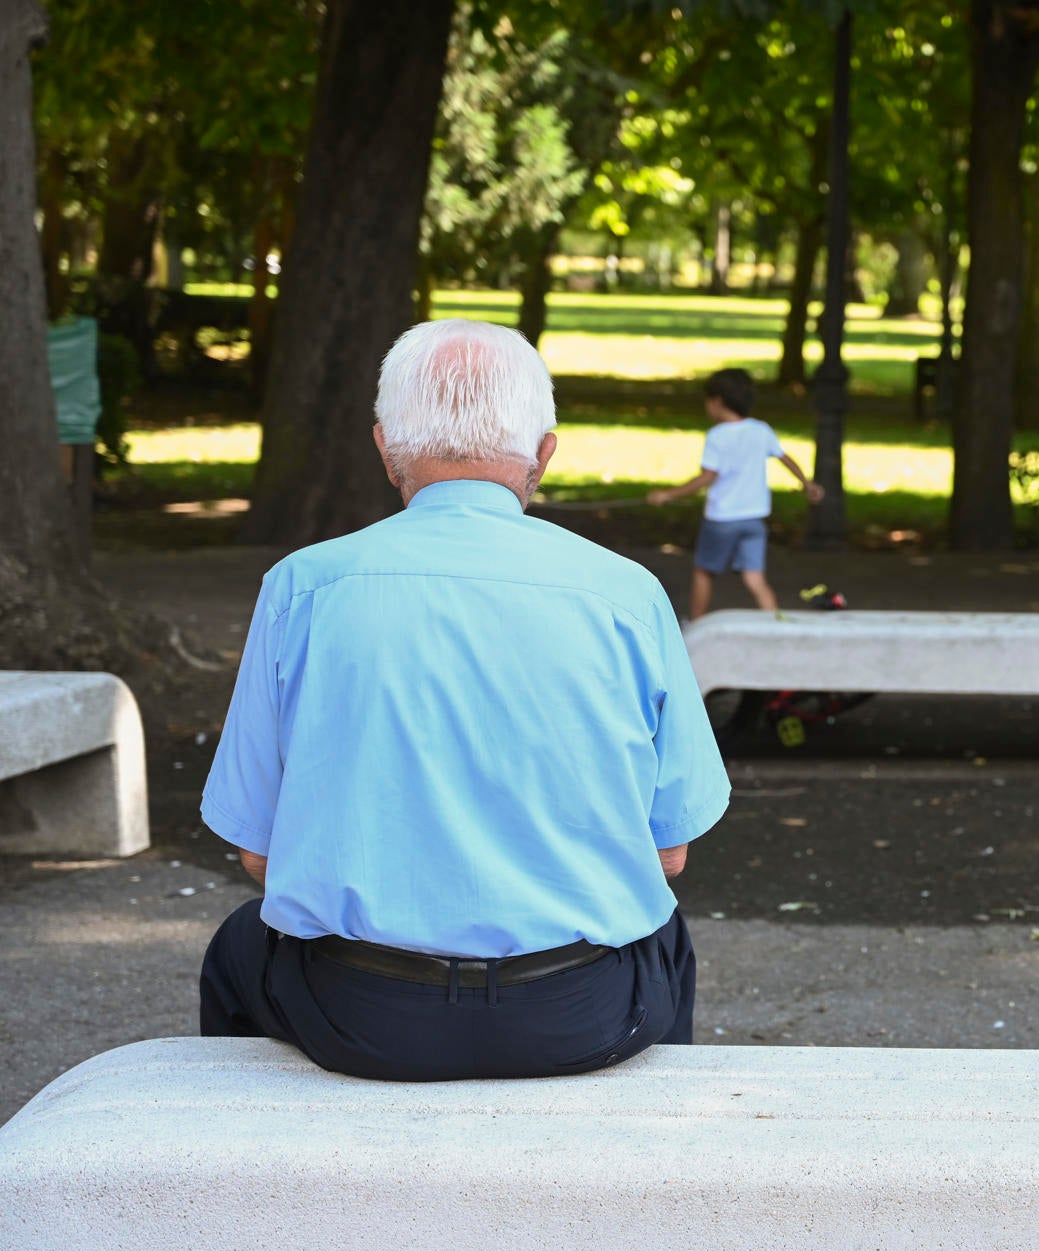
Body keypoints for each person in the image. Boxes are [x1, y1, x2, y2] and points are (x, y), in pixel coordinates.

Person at [198, 318, 730, 1082]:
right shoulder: (627, 593)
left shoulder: (302, 587)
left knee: (240, 948)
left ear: (385, 447)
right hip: (577, 1009)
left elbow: (259, 851)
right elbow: (668, 851)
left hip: (359, 1010)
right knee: (665, 937)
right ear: (545, 453)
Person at [648, 368, 823, 618]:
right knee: (754, 578)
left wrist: (667, 495)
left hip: (722, 520)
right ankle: (776, 624)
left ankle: (695, 626)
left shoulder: (718, 436)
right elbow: (785, 459)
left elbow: (708, 477)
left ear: (717, 401)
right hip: (754, 519)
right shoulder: (761, 430)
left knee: (704, 571)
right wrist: (807, 484)